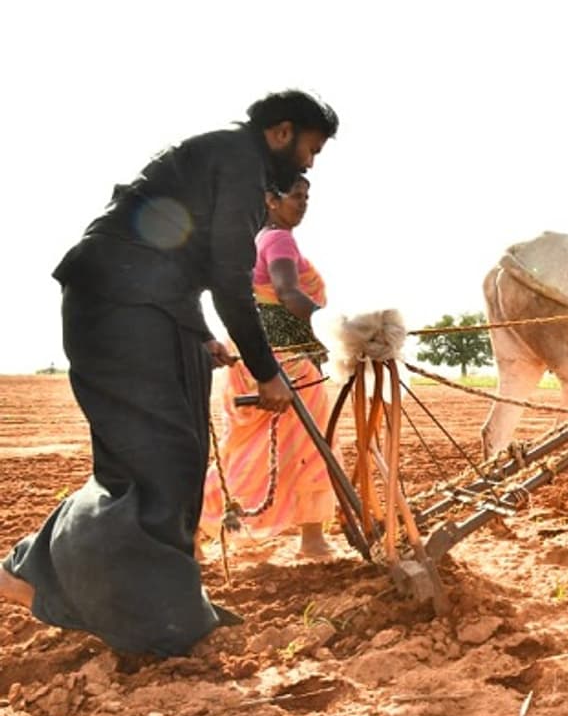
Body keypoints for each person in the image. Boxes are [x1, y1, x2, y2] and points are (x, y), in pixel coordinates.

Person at [0, 90, 340, 657]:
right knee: (156, 461)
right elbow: (230, 277)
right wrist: (266, 372)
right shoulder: (240, 161)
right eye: (310, 149)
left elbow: (177, 252)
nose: (308, 164)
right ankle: (145, 617)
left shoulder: (221, 159)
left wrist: (199, 335)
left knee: (169, 458)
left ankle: (150, 607)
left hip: (141, 304)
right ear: (281, 133)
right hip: (121, 306)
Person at [199, 176, 337, 557]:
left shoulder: (259, 239)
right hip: (284, 360)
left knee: (243, 451)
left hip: (257, 354)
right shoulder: (278, 239)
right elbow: (288, 291)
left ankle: (192, 527)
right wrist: (336, 325)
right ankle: (312, 539)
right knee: (312, 441)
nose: (303, 203)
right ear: (271, 201)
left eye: (308, 196)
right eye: (296, 196)